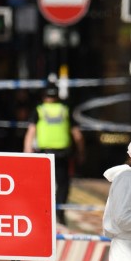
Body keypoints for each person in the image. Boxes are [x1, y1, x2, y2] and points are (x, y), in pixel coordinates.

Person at [23, 86, 85, 225]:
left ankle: (41, 216)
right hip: (62, 154)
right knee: (62, 185)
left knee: (42, 185)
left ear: (44, 96)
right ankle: (59, 216)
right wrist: (81, 152)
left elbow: (31, 132)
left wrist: (27, 153)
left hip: (43, 154)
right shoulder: (65, 110)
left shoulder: (39, 109)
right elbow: (78, 135)